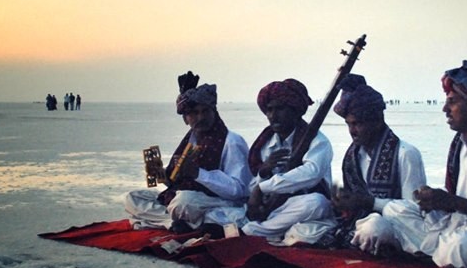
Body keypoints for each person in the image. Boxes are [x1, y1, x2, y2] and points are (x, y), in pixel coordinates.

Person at [356, 60, 467, 268]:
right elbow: (453, 203)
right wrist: (435, 200)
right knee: (393, 212)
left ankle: (423, 252)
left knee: (458, 248)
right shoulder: (461, 145)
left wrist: (453, 202)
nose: (445, 109)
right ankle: (427, 251)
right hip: (456, 223)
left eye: (452, 102)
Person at [124, 72, 251, 232]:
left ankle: (172, 221)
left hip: (219, 202)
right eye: (194, 113)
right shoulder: (190, 140)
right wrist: (161, 175)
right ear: (185, 119)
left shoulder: (232, 141)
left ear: (214, 112)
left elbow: (239, 190)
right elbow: (177, 182)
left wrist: (199, 173)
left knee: (183, 202)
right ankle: (172, 223)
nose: (200, 117)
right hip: (185, 198)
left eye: (205, 111)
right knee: (133, 198)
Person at [330, 75, 427, 250]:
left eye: (357, 124)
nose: (352, 131)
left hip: (399, 229)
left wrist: (368, 202)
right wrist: (342, 202)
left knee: (374, 228)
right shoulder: (352, 156)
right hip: (360, 222)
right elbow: (352, 204)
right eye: (348, 124)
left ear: (376, 121)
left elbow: (413, 211)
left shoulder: (406, 153)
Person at [242, 79, 334, 240]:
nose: (273, 116)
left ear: (296, 111)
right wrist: (264, 172)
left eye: (280, 109)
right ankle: (269, 229)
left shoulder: (318, 141)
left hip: (304, 206)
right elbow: (251, 189)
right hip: (277, 209)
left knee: (317, 202)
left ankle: (255, 231)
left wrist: (263, 187)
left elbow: (311, 174)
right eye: (269, 110)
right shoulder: (266, 143)